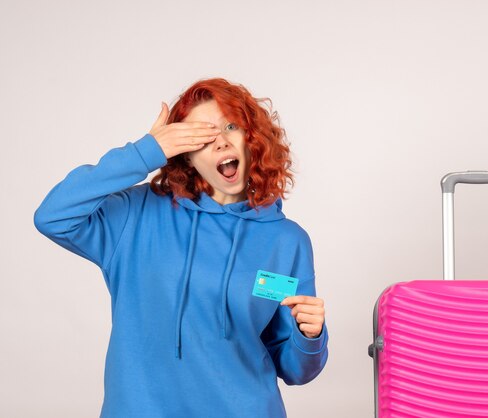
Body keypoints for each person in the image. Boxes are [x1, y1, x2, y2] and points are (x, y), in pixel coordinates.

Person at [33, 77, 329, 417]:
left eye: (230, 126)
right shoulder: (137, 215)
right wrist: (144, 152)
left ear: (251, 138)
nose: (219, 142)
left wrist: (310, 337)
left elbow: (296, 369)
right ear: (185, 157)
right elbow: (53, 217)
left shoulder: (286, 241)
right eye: (201, 136)